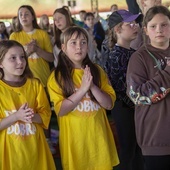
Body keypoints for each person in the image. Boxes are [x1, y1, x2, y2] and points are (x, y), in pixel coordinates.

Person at [47, 26, 119, 170]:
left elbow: (109, 104)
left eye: (83, 42)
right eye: (73, 43)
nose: (79, 46)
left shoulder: (97, 71)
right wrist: (82, 90)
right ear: (63, 47)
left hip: (99, 141)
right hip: (75, 143)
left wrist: (92, 86)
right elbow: (61, 110)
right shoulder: (57, 76)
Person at [0, 40, 56, 170]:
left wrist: (31, 116)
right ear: (1, 63)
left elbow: (46, 114)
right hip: (12, 153)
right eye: (13, 58)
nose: (20, 62)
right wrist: (16, 116)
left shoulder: (35, 84)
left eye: (22, 57)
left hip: (36, 148)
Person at [126, 5, 170, 170]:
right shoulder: (139, 58)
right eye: (153, 26)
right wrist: (167, 74)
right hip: (156, 141)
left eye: (164, 25)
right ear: (145, 30)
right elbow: (137, 96)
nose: (159, 30)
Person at [104, 10, 144, 170]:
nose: (136, 27)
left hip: (135, 107)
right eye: (130, 24)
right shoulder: (115, 55)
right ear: (118, 29)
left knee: (137, 147)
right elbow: (120, 89)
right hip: (124, 108)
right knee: (128, 149)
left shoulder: (132, 53)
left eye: (136, 23)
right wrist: (141, 103)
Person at [9, 5, 54, 87]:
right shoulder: (14, 36)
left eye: (26, 14)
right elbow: (13, 60)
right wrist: (28, 51)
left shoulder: (42, 34)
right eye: (21, 15)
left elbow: (51, 58)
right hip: (24, 80)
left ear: (33, 17)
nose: (23, 17)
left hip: (43, 79)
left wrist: (37, 49)